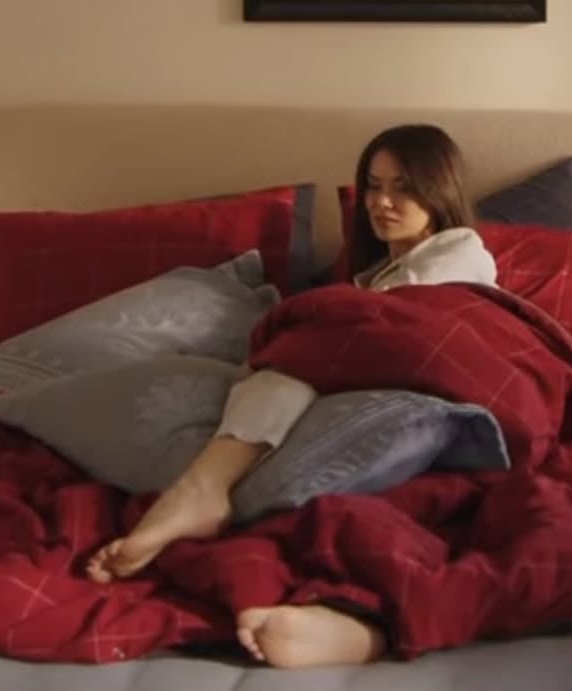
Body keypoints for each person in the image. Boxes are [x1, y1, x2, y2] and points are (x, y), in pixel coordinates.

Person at [86, 124, 498, 668]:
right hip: (370, 393)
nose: (382, 202)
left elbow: (387, 328)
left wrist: (299, 333)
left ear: (438, 191)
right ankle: (345, 620)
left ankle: (204, 488)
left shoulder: (460, 252)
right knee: (313, 507)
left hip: (437, 398)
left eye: (402, 188)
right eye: (374, 187)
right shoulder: (376, 275)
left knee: (300, 357)